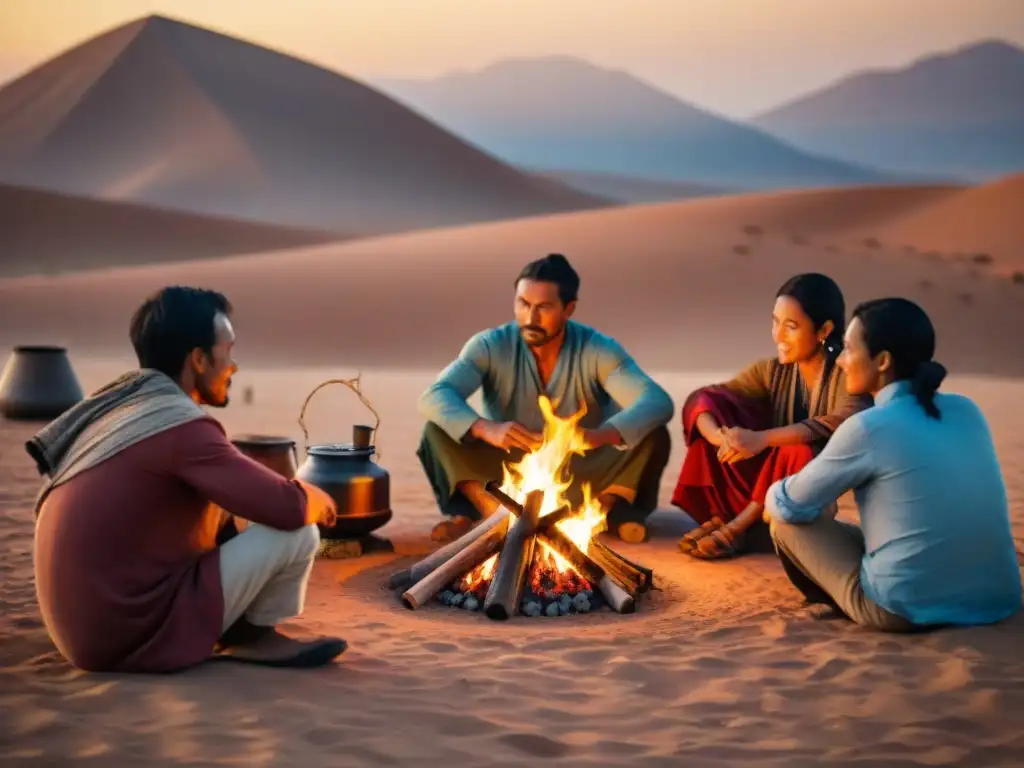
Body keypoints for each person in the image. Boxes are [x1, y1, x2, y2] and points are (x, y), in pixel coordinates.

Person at [29, 286, 347, 673]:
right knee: (298, 532)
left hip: (80, 635)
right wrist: (315, 497)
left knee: (234, 521)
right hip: (128, 633)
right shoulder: (179, 427)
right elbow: (287, 507)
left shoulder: (121, 414)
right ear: (198, 359)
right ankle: (254, 638)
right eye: (228, 350)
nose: (234, 366)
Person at [767, 298, 1022, 631]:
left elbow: (791, 506)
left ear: (883, 361)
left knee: (783, 521)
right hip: (998, 601)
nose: (841, 361)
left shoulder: (868, 426)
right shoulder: (967, 410)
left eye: (847, 349)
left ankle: (836, 602)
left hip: (904, 608)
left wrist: (776, 494)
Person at [417, 253, 674, 544]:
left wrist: (596, 436)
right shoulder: (490, 345)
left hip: (581, 469)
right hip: (507, 469)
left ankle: (598, 515)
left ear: (569, 309)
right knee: (437, 430)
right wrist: (486, 428)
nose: (530, 318)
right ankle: (493, 515)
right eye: (523, 304)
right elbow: (435, 395)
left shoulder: (597, 349)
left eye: (544, 307)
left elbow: (656, 401)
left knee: (652, 434)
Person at [671, 273, 871, 559]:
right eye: (775, 322)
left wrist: (763, 439)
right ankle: (733, 522)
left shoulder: (846, 373)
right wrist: (722, 438)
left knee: (799, 450)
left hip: (808, 495)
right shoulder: (771, 371)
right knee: (709, 439)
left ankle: (738, 528)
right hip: (767, 485)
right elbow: (704, 399)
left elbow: (848, 418)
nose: (778, 335)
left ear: (824, 329)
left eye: (791, 326)